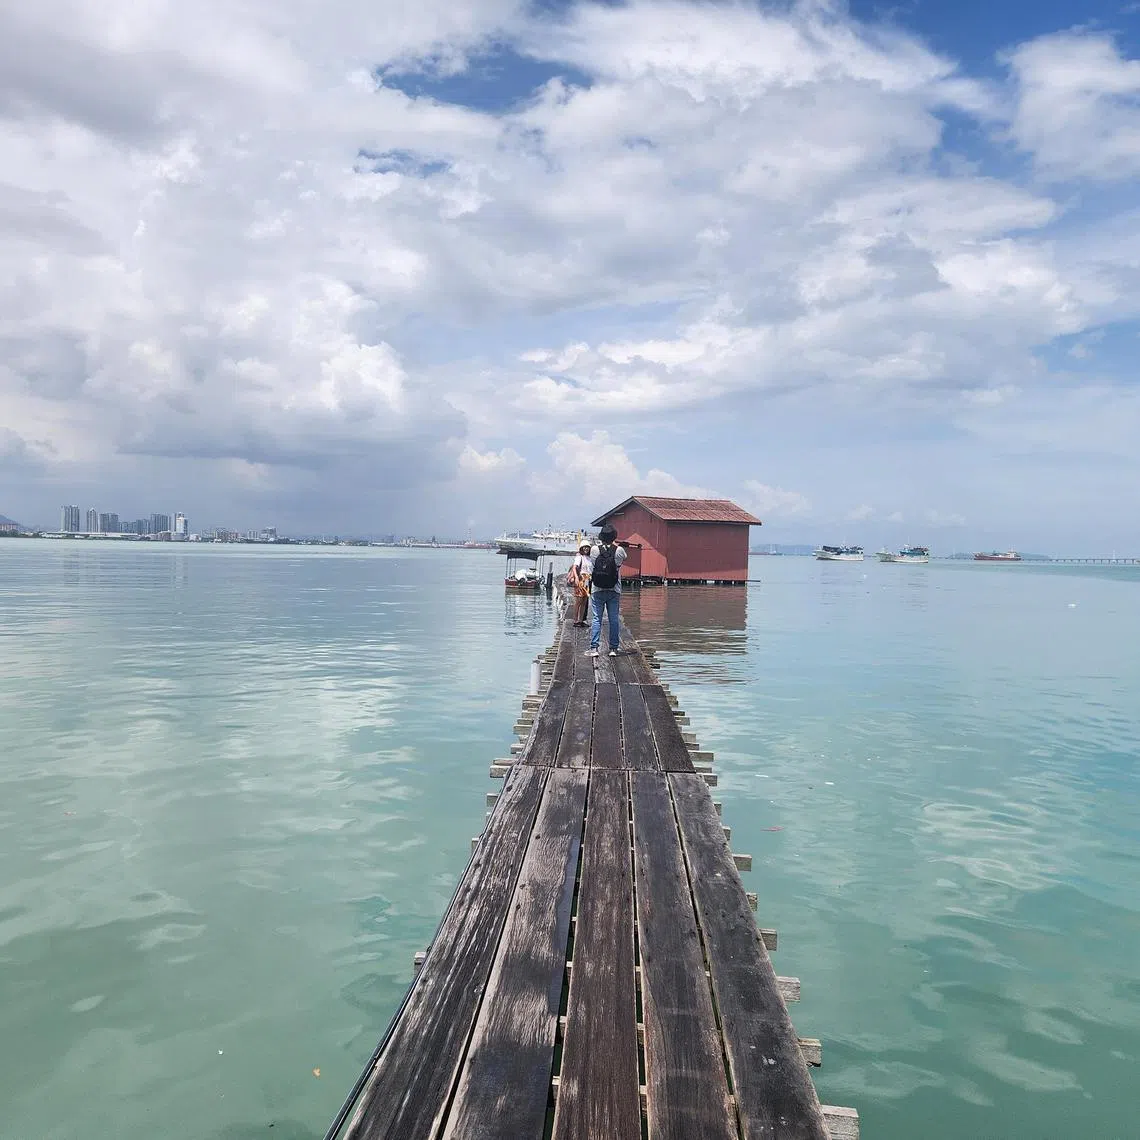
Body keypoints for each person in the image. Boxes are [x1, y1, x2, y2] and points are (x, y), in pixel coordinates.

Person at [587, 524, 627, 657]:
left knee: (597, 618)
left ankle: (594, 649)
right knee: (614, 619)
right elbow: (622, 560)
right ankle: (613, 649)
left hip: (597, 588)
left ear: (601, 537)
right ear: (614, 536)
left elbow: (593, 564)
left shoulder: (594, 550)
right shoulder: (619, 550)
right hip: (614, 589)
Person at [568, 542, 592, 626]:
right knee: (578, 600)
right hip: (581, 579)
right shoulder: (579, 557)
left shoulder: (589, 558)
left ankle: (580, 620)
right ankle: (575, 620)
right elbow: (575, 567)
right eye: (584, 547)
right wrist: (577, 578)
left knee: (584, 601)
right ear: (581, 548)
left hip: (588, 579)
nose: (586, 549)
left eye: (587, 547)